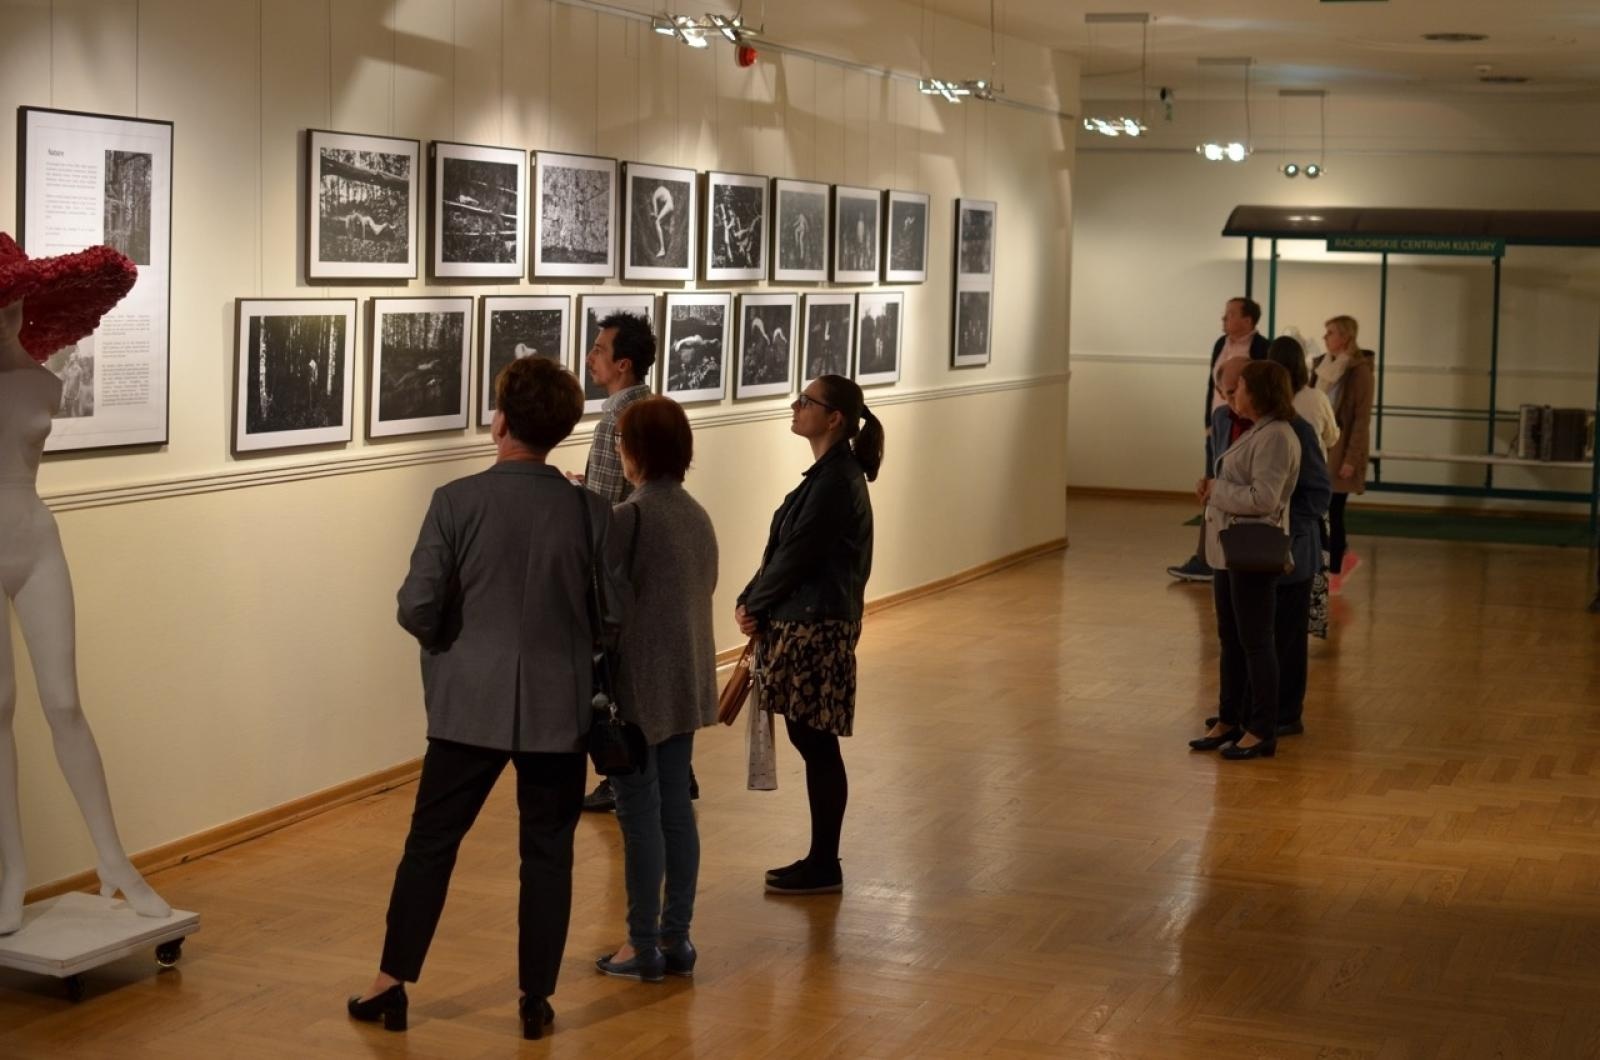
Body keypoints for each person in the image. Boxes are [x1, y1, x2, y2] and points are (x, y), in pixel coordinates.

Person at [349, 356, 610, 1041]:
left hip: (467, 701)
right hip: (558, 705)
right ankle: (535, 999)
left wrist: (451, 647)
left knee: (431, 844)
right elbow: (612, 614)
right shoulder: (590, 511)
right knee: (548, 852)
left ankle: (391, 982)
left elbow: (418, 605)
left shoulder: (456, 501)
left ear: (500, 422)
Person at [0, 235, 170, 937]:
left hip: (36, 541)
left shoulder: (41, 378)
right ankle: (11, 872)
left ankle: (113, 859)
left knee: (65, 703)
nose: (9, 316)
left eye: (14, 302)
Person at [736, 375, 883, 895]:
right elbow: (785, 549)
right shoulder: (827, 475)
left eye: (807, 401)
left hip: (817, 626)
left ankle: (824, 863)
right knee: (811, 738)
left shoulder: (836, 481)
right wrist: (752, 597)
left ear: (834, 418)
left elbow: (799, 555)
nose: (795, 407)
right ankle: (822, 860)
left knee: (816, 741)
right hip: (807, 620)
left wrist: (754, 603)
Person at [593, 397, 719, 983]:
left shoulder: (630, 518)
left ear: (635, 451)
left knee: (638, 814)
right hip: (685, 681)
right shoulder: (696, 515)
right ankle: (678, 937)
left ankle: (641, 943)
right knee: (674, 811)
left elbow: (605, 606)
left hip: (638, 689)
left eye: (621, 442)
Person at [1188, 361, 1301, 761]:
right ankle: (1229, 718)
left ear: (1261, 393)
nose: (1234, 393)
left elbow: (1264, 499)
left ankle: (1260, 729)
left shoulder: (1277, 436)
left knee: (1255, 641)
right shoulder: (1259, 430)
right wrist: (1215, 488)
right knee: (1231, 639)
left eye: (1242, 387)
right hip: (1230, 550)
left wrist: (1217, 490)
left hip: (1251, 550)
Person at [575, 313, 658, 815]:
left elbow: (605, 506)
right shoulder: (651, 407)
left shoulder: (615, 419)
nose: (591, 358)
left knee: (612, 679)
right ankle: (669, 766)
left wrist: (578, 497)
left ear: (623, 364)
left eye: (599, 350)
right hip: (644, 560)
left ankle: (618, 772)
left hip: (615, 571)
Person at [1168, 297, 1270, 582]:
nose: (1223, 320)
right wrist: (1207, 423)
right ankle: (1206, 556)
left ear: (1248, 320)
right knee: (1211, 485)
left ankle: (1231, 555)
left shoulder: (1262, 347)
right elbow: (1211, 385)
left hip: (1246, 427)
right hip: (1220, 424)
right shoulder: (1219, 344)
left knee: (1234, 488)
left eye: (1230, 315)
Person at [1312, 315, 1375, 591]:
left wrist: (1351, 459)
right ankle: (1338, 559)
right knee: (1321, 509)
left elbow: (1361, 419)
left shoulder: (1359, 371)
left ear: (1346, 337)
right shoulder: (1321, 366)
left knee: (1333, 512)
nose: (1325, 337)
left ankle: (1334, 569)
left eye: (1331, 332)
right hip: (1321, 447)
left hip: (1342, 450)